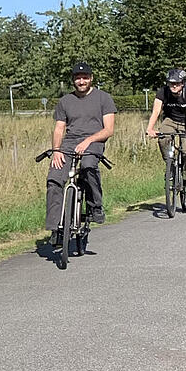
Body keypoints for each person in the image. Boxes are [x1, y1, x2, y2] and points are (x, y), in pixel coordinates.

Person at [46, 61, 116, 246]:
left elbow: (109, 129)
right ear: (73, 80)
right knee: (54, 179)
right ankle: (56, 228)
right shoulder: (65, 101)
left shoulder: (104, 98)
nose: (81, 81)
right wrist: (56, 151)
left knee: (88, 166)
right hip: (69, 144)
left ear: (91, 78)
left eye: (85, 78)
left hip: (94, 142)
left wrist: (89, 140)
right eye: (78, 78)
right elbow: (59, 128)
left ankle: (95, 207)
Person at [145, 67, 186, 202]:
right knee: (162, 138)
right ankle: (170, 166)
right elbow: (156, 111)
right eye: (171, 83)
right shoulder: (162, 92)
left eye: (177, 83)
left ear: (182, 83)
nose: (174, 86)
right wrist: (150, 128)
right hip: (170, 120)